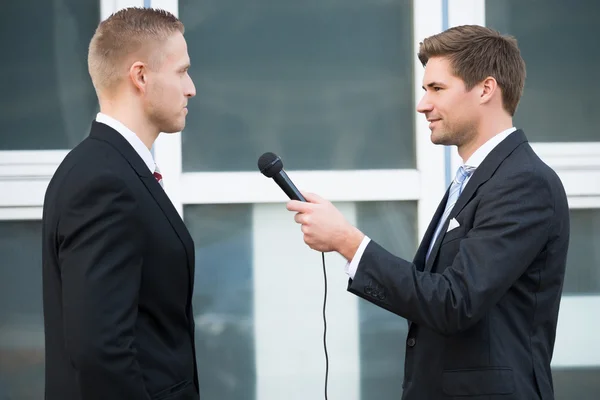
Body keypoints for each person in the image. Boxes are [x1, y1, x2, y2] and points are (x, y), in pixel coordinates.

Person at [287, 25, 569, 399]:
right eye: (424, 90)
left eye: (437, 89)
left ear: (486, 89)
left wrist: (348, 242)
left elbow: (455, 302)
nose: (422, 104)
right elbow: (431, 297)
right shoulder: (474, 178)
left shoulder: (523, 182)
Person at [42, 7, 199, 400]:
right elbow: (100, 351)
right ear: (141, 76)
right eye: (181, 71)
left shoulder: (109, 168)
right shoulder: (104, 181)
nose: (191, 87)